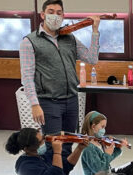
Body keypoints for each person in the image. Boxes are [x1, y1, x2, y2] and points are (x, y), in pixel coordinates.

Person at [19, 0, 100, 158]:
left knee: (67, 145)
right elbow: (27, 76)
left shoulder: (70, 38)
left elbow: (92, 58)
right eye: (50, 12)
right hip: (48, 102)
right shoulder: (29, 42)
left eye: (59, 12)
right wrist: (35, 104)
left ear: (63, 16)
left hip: (71, 100)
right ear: (42, 15)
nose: (55, 16)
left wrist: (95, 31)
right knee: (53, 146)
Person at [80, 111, 133, 175]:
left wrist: (118, 148)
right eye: (102, 127)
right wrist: (107, 154)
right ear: (93, 126)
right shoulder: (88, 148)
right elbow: (99, 170)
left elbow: (107, 159)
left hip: (107, 173)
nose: (104, 130)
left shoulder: (99, 141)